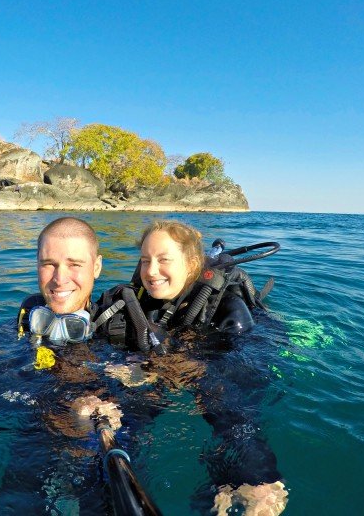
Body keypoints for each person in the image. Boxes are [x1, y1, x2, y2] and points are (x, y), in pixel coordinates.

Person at [95, 220, 288, 515]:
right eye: (145, 260)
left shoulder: (228, 309)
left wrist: (184, 368)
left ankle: (255, 478)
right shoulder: (136, 304)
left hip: (216, 368)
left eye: (164, 260)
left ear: (191, 264)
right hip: (165, 367)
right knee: (132, 406)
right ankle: (113, 473)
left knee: (219, 396)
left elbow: (247, 373)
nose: (151, 271)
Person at [0, 217, 123, 513]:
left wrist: (115, 403)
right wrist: (63, 407)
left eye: (74, 264)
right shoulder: (11, 334)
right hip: (36, 442)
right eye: (49, 264)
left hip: (104, 443)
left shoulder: (124, 333)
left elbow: (157, 390)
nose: (60, 279)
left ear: (97, 266)